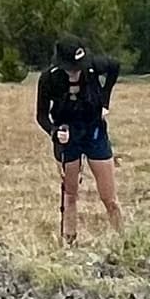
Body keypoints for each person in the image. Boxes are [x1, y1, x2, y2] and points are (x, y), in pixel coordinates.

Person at [35, 36, 124, 243]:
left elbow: (115, 67)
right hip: (67, 138)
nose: (76, 71)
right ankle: (69, 241)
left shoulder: (93, 66)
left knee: (109, 197)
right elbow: (41, 115)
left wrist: (104, 101)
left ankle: (123, 241)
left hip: (94, 131)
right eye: (71, 67)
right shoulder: (49, 78)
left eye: (78, 67)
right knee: (70, 194)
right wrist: (54, 132)